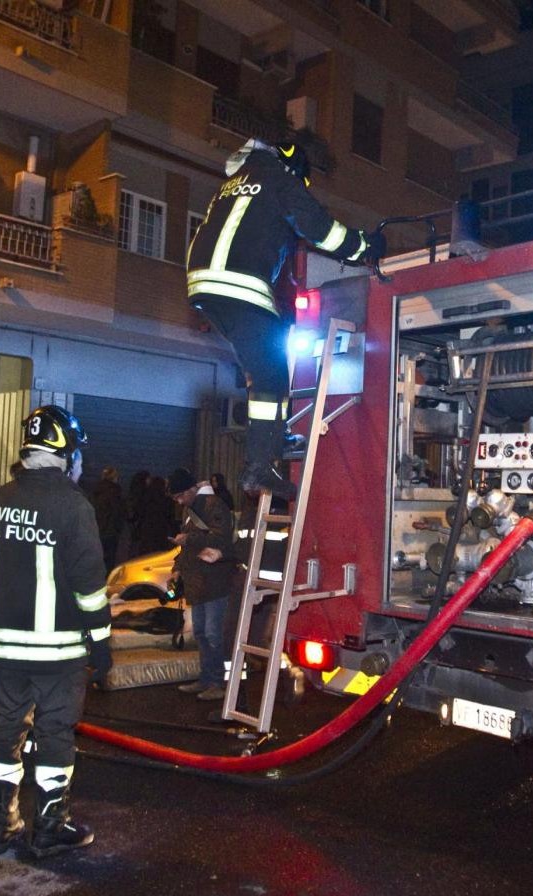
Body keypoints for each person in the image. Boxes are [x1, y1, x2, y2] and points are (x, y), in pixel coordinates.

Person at [186, 134, 385, 501]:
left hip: (205, 286)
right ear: (294, 165)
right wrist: (364, 247)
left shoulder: (238, 180)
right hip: (238, 283)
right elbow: (319, 228)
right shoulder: (279, 178)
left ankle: (273, 439)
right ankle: (258, 468)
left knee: (267, 365)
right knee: (273, 372)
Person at [0, 404, 111, 859]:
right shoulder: (74, 507)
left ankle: (1, 824)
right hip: (59, 655)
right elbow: (90, 586)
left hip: (7, 652)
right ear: (67, 454)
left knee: (4, 732)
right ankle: (50, 828)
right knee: (54, 734)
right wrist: (103, 645)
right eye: (79, 456)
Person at [167, 469, 236, 702]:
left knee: (213, 634)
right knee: (201, 634)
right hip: (198, 582)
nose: (178, 501)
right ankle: (206, 679)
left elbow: (221, 540)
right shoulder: (193, 510)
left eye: (179, 496)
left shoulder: (213, 506)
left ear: (189, 490)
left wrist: (189, 539)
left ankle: (217, 682)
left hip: (214, 582)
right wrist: (177, 568)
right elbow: (188, 546)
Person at [132, 475, 176, 557]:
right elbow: (171, 518)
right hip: (161, 531)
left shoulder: (144, 498)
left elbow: (139, 514)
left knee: (146, 554)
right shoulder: (167, 500)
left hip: (146, 530)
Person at [91, 468, 126, 569]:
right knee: (109, 559)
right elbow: (118, 512)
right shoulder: (116, 492)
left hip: (96, 529)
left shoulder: (96, 490)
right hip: (111, 531)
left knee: (96, 557)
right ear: (115, 477)